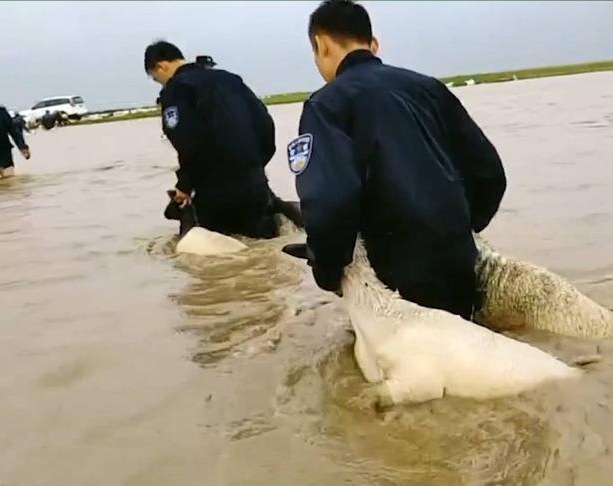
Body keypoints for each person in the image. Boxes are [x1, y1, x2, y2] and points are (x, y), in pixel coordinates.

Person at [290, 0, 506, 319]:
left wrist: (328, 271)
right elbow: (489, 173)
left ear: (321, 46)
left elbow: (328, 201)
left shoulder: (326, 106)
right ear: (372, 42)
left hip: (396, 277)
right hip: (460, 267)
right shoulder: (428, 87)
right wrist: (460, 229)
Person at [144, 40, 302, 238]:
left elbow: (189, 142)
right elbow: (265, 125)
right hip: (256, 186)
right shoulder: (230, 80)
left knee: (223, 256)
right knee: (266, 254)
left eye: (156, 78)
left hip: (215, 193)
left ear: (161, 66)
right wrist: (255, 167)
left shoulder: (177, 90)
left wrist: (184, 185)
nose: (160, 82)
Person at [0, 105, 31, 178]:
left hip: (3, 150)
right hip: (4, 149)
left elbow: (13, 131)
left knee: (9, 178)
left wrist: (22, 147)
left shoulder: (1, 112)